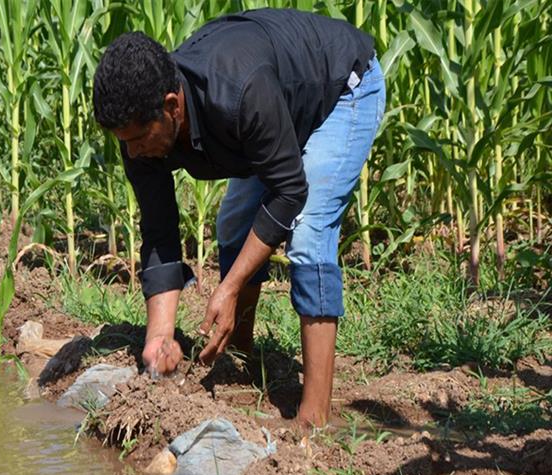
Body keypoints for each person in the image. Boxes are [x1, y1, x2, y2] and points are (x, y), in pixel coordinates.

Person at [92, 8, 385, 429]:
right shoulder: (138, 127)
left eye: (138, 140)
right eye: (126, 143)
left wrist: (228, 287)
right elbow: (158, 229)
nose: (133, 153)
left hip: (341, 90)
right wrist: (160, 337)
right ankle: (242, 355)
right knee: (233, 224)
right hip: (275, 111)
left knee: (309, 233)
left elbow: (289, 192)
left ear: (171, 106)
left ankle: (314, 417)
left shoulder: (238, 92)